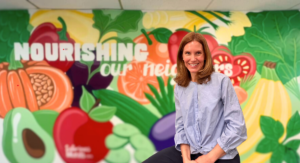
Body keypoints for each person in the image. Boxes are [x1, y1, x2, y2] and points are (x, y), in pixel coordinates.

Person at [143, 32, 247, 163]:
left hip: (220, 154)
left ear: (205, 56)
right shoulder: (180, 87)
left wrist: (208, 159)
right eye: (188, 53)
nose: (193, 59)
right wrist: (186, 160)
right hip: (190, 152)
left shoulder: (222, 82)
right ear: (182, 56)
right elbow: (181, 126)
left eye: (198, 53)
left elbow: (237, 127)